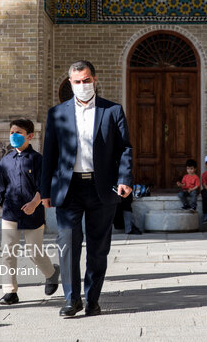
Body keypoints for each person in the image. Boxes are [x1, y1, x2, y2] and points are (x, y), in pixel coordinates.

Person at [41, 60, 133, 317]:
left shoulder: (112, 110)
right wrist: (45, 191)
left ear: (95, 79)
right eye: (77, 82)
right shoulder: (57, 113)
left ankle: (92, 299)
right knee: (68, 244)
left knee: (98, 247)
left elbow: (124, 148)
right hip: (68, 189)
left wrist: (125, 179)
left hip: (101, 188)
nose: (82, 85)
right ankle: (72, 300)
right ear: (70, 83)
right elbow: (49, 154)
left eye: (86, 80)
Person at [0, 119, 60, 305]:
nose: (14, 136)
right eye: (12, 132)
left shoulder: (38, 160)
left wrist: (35, 204)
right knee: (7, 252)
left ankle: (51, 273)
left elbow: (43, 186)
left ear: (30, 136)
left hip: (33, 213)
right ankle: (10, 292)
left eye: (18, 132)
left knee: (34, 251)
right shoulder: (5, 161)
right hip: (10, 214)